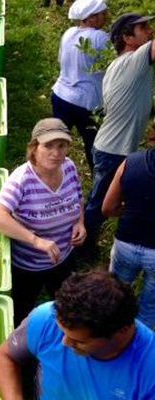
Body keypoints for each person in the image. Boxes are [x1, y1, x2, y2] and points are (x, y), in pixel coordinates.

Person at [0, 271, 155, 399]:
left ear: (121, 332)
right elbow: (6, 356)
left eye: (79, 341)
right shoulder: (46, 318)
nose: (64, 342)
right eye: (62, 331)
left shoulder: (149, 371)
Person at [0, 118, 86, 326]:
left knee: (68, 308)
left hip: (64, 256)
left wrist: (80, 222)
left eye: (61, 146)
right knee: (22, 312)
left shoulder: (68, 167)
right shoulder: (22, 179)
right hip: (29, 265)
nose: (56, 153)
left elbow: (78, 197)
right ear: (34, 148)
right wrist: (36, 241)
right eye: (48, 146)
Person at [83, 13, 155, 251]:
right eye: (143, 28)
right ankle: (81, 247)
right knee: (99, 204)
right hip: (114, 150)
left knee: (103, 198)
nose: (149, 30)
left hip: (110, 146)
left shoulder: (121, 65)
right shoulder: (135, 60)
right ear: (127, 37)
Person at [51, 0, 109, 172]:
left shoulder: (68, 33)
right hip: (87, 103)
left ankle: (51, 174)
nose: (106, 17)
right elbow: (111, 67)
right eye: (102, 14)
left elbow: (61, 60)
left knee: (57, 142)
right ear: (91, 18)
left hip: (61, 96)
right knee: (94, 146)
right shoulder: (100, 38)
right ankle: (99, 182)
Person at [103, 149, 155, 329]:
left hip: (126, 243)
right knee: (150, 308)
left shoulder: (132, 162)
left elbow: (108, 208)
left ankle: (106, 336)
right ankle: (137, 349)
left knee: (113, 297)